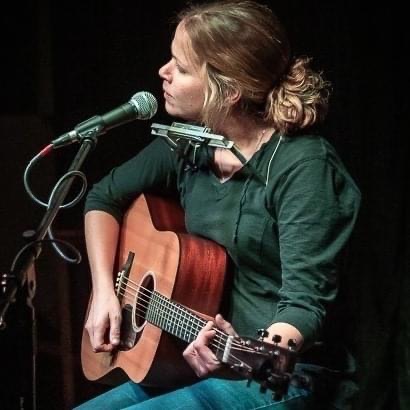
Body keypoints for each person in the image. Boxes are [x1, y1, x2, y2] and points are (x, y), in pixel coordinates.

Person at [75, 0, 361, 409]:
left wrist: (254, 353)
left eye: (182, 66)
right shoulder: (190, 145)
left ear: (228, 90)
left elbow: (304, 304)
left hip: (286, 377)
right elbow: (104, 196)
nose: (164, 72)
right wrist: (105, 290)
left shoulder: (304, 166)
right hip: (200, 364)